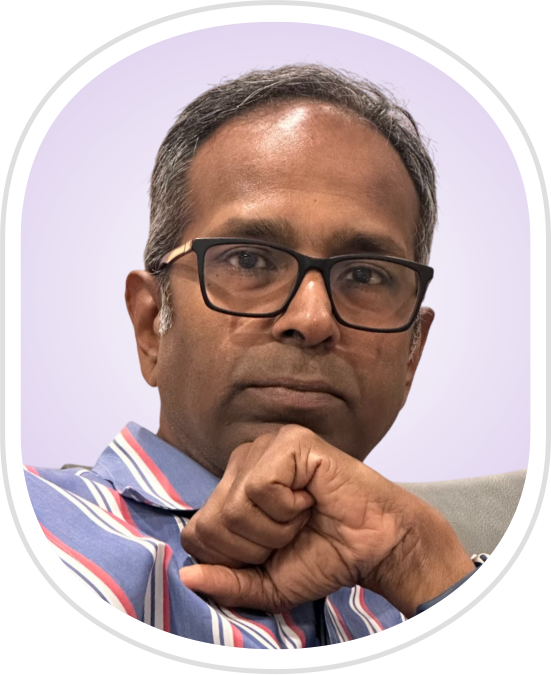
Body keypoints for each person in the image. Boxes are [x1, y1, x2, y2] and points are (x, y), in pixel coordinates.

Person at [24, 64, 486, 648]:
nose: (312, 319)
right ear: (151, 326)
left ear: (412, 353)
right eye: (249, 260)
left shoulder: (423, 588)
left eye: (365, 275)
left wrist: (416, 560)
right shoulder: (34, 535)